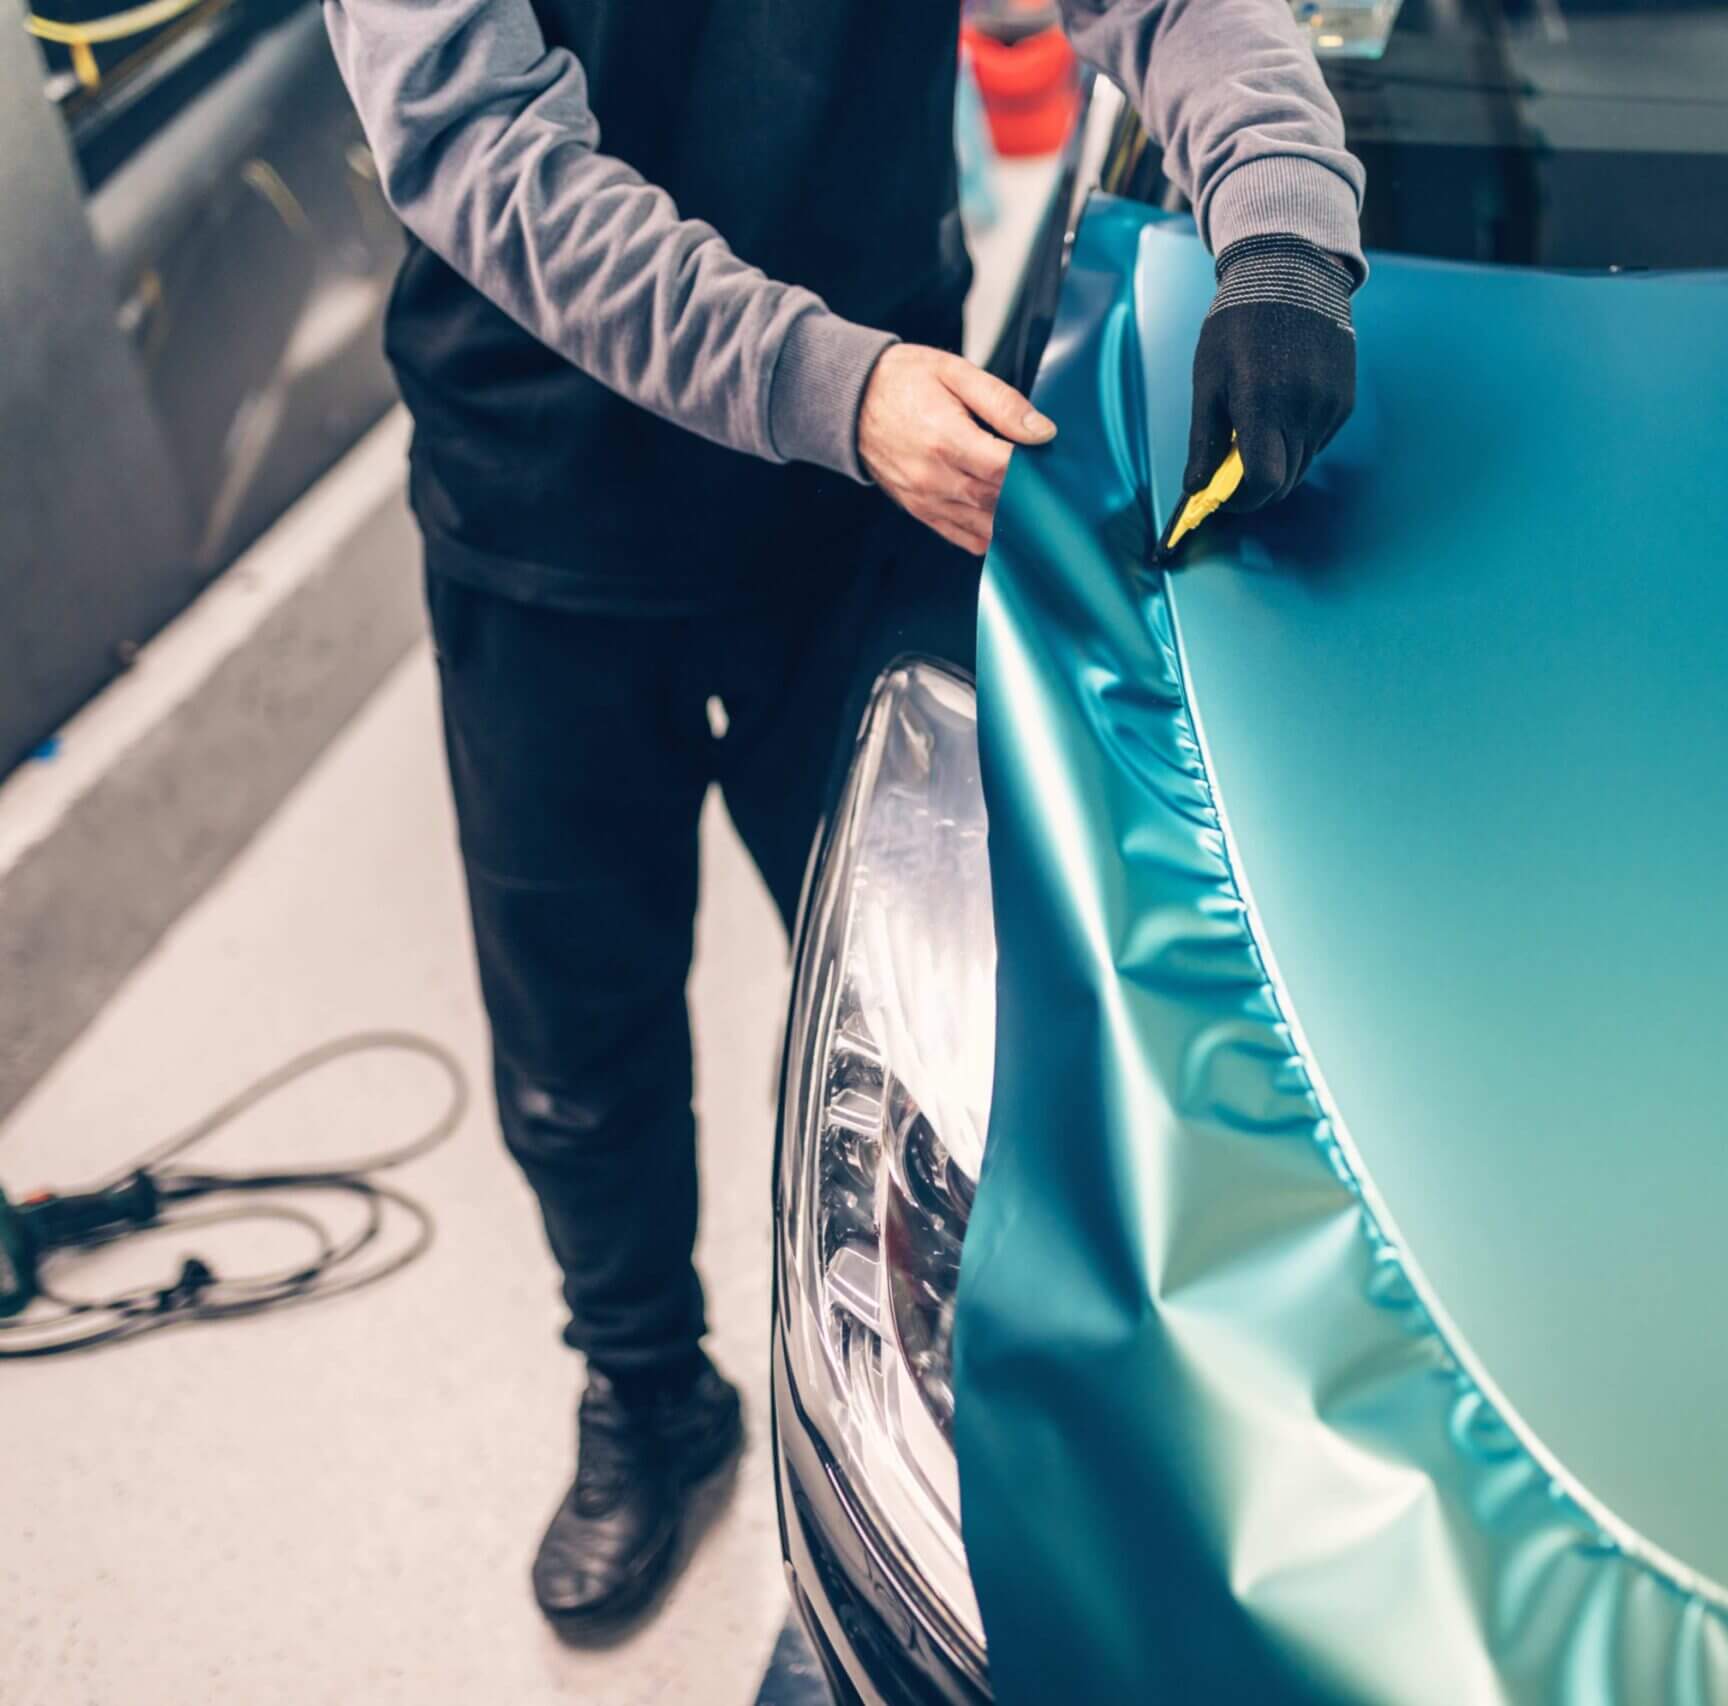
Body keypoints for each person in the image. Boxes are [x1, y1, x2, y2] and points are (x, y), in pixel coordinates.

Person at [320, 0, 1363, 1632]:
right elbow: (473, 142)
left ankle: (940, 1470)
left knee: (959, 1023)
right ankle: (646, 1387)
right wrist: (830, 386)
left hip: (856, 509)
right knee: (579, 1050)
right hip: (555, 517)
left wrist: (1285, 230)